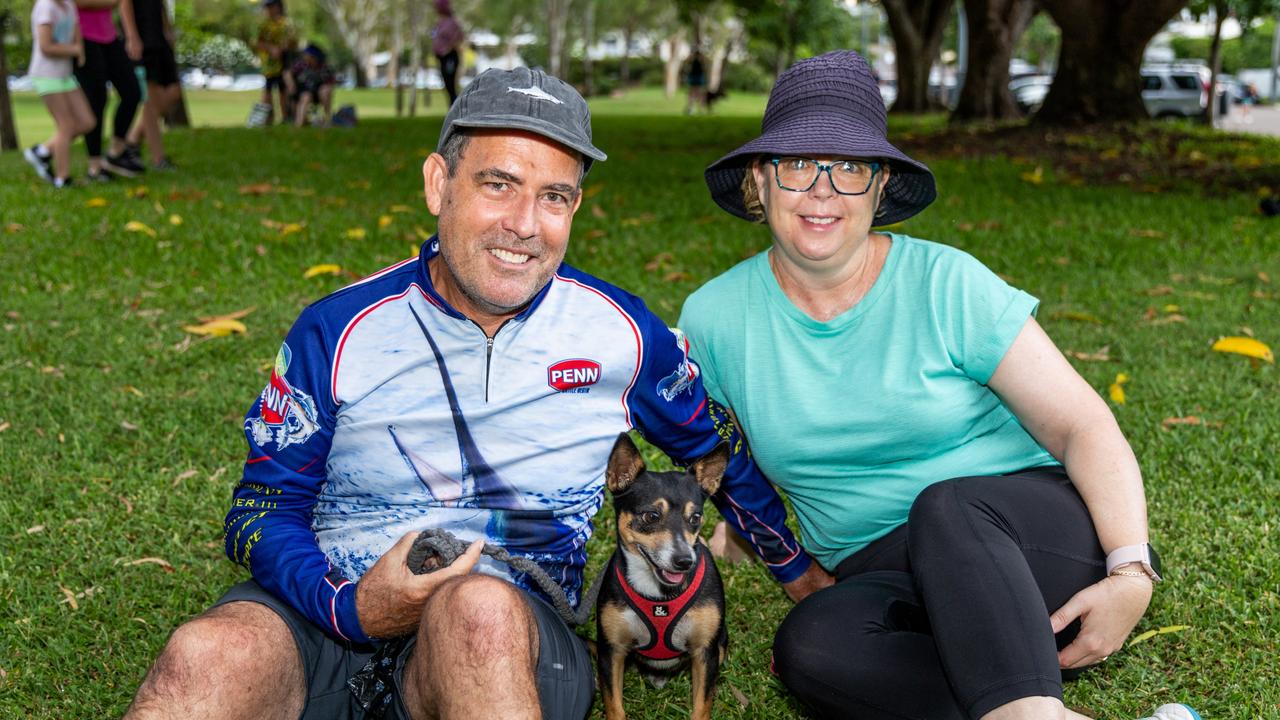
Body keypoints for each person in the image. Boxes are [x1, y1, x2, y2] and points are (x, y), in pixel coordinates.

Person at [122, 66, 808, 720]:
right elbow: (260, 509)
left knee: (475, 611)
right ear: (438, 183)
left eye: (555, 196)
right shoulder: (337, 329)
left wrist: (802, 577)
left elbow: (715, 451)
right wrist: (349, 606)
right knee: (205, 654)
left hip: (507, 628)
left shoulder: (623, 333)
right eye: (499, 184)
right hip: (322, 613)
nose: (526, 224)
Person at [679, 51, 1199, 720]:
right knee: (812, 646)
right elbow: (718, 460)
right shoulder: (714, 317)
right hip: (889, 574)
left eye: (851, 168)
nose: (823, 190)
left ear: (880, 185)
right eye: (799, 164)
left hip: (1029, 543)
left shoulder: (949, 283)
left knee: (944, 507)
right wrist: (764, 550)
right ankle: (1031, 702)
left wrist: (1131, 574)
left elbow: (1083, 425)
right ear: (761, 179)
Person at [23, 0, 96, 188]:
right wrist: (74, 50)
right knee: (67, 125)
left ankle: (42, 151)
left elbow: (76, 27)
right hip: (46, 75)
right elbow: (46, 47)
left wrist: (80, 49)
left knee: (87, 121)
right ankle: (62, 179)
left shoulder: (68, 4)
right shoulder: (45, 7)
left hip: (65, 74)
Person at [73, 0, 145, 180]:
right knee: (97, 100)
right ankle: (94, 168)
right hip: (82, 37)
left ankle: (116, 153)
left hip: (109, 36)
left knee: (132, 92)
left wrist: (131, 35)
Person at [123, 0, 179, 169]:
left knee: (173, 93)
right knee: (150, 102)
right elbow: (125, 3)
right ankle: (158, 159)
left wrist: (168, 30)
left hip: (159, 39)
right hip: (143, 39)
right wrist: (132, 36)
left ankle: (132, 140)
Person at [254, 0, 297, 126]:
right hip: (269, 65)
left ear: (278, 7)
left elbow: (293, 42)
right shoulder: (263, 25)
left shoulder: (287, 24)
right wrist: (271, 49)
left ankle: (285, 118)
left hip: (284, 63)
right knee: (268, 91)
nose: (267, 10)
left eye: (270, 6)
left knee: (283, 90)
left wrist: (285, 47)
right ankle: (267, 119)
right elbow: (257, 43)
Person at [291, 44, 336, 127]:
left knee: (325, 91)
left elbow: (331, 82)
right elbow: (289, 74)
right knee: (306, 96)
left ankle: (327, 119)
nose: (305, 57)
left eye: (307, 55)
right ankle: (299, 124)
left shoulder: (324, 67)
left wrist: (326, 88)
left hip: (318, 92)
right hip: (303, 92)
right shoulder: (300, 65)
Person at [431, 0, 464, 105]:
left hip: (450, 57)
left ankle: (455, 108)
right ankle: (451, 108)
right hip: (442, 58)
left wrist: (447, 49)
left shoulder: (452, 22)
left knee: (451, 85)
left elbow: (459, 37)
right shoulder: (440, 22)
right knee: (446, 85)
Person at [683, 50, 708, 115]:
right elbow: (686, 64)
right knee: (693, 93)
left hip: (697, 78)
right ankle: (692, 108)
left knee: (697, 93)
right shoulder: (693, 61)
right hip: (694, 77)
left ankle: (699, 109)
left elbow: (705, 68)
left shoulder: (700, 61)